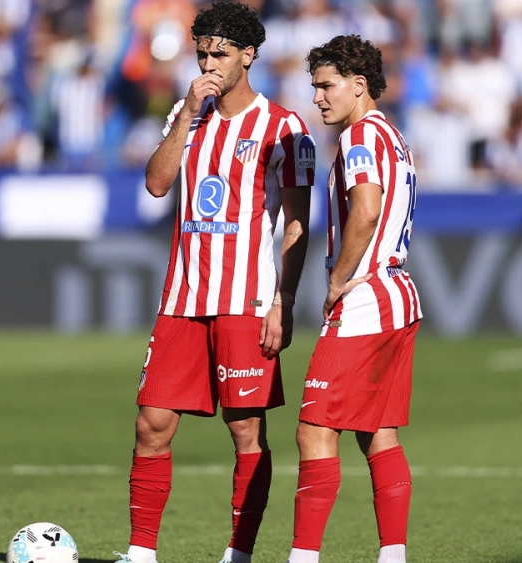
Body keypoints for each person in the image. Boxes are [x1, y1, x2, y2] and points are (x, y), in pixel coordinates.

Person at [115, 2, 316, 563]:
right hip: (183, 296)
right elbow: (157, 184)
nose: (208, 63)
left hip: (245, 300)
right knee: (151, 424)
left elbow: (298, 221)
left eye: (220, 53)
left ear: (248, 56)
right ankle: (140, 552)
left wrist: (286, 298)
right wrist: (185, 115)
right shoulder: (189, 112)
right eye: (201, 52)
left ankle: (240, 553)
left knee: (246, 431)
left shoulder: (285, 127)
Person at [288, 35, 422, 563]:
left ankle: (303, 557)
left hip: (365, 299)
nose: (317, 97)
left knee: (313, 431)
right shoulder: (395, 135)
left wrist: (338, 278)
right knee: (376, 431)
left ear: (358, 85)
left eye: (326, 86)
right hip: (399, 296)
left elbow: (365, 210)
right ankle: (393, 555)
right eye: (314, 86)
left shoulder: (359, 137)